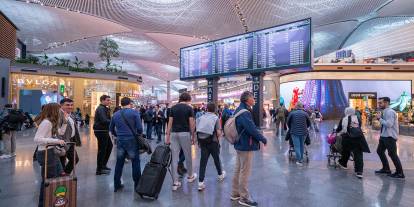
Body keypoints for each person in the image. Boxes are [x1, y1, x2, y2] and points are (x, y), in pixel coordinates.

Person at [231, 91, 267, 207]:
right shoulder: (245, 112)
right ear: (247, 99)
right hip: (245, 145)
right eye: (252, 97)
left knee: (238, 169)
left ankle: (235, 193)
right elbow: (251, 129)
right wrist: (262, 138)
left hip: (239, 144)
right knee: (244, 171)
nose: (254, 99)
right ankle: (244, 197)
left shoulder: (239, 110)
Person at [34, 103, 66, 207]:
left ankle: (50, 202)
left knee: (53, 179)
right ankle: (44, 203)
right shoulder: (46, 122)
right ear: (54, 110)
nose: (61, 111)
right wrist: (56, 141)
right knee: (49, 181)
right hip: (46, 153)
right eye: (59, 109)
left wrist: (65, 122)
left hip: (51, 153)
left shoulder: (52, 122)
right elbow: (37, 139)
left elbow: (60, 132)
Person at [109, 97, 143, 192]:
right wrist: (137, 134)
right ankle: (137, 185)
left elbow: (111, 129)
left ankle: (116, 185)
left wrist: (118, 135)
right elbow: (140, 128)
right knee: (135, 162)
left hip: (120, 140)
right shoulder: (134, 113)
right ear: (130, 103)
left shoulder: (115, 114)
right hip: (132, 140)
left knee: (119, 163)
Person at [166, 92, 197, 191]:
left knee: (174, 158)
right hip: (185, 134)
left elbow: (169, 123)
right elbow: (191, 123)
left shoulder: (173, 108)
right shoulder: (189, 108)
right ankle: (190, 176)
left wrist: (167, 136)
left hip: (174, 134)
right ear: (188, 99)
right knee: (188, 156)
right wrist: (193, 136)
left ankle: (175, 182)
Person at [196, 103, 226, 191]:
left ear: (207, 109)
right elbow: (218, 132)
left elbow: (197, 130)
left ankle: (200, 183)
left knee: (203, 162)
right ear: (215, 109)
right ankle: (220, 175)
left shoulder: (200, 118)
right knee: (216, 159)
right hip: (213, 142)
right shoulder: (215, 118)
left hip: (203, 142)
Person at [335, 107, 370, 178]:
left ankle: (343, 164)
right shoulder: (357, 118)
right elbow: (358, 127)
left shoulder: (344, 119)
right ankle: (359, 172)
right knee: (358, 155)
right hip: (358, 138)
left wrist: (336, 131)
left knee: (346, 151)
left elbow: (339, 129)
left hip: (348, 138)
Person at [375, 97, 405, 179]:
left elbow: (389, 124)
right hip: (384, 136)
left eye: (380, 103)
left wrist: (379, 119)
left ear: (386, 103)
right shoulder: (385, 112)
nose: (379, 104)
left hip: (389, 137)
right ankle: (386, 169)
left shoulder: (390, 112)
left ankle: (400, 173)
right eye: (379, 103)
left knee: (392, 154)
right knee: (380, 151)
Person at [58, 98, 81, 174]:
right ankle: (62, 178)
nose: (70, 107)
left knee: (74, 159)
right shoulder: (59, 115)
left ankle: (65, 175)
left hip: (70, 142)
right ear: (61, 105)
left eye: (71, 105)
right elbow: (57, 131)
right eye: (67, 105)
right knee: (62, 162)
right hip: (62, 143)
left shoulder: (71, 114)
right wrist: (60, 143)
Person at [93, 95, 113, 175]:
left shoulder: (104, 108)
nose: (109, 101)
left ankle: (103, 165)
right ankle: (99, 169)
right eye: (107, 100)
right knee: (102, 150)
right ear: (102, 100)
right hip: (101, 131)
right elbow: (104, 120)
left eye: (109, 100)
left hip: (104, 130)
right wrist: (113, 120)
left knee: (109, 147)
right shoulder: (101, 108)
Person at [286, 102, 311, 166]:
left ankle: (299, 161)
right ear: (301, 107)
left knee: (297, 146)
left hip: (294, 132)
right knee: (302, 145)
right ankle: (301, 159)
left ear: (296, 107)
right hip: (304, 132)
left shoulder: (292, 113)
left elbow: (288, 122)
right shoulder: (305, 114)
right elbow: (309, 123)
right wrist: (305, 127)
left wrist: (291, 127)